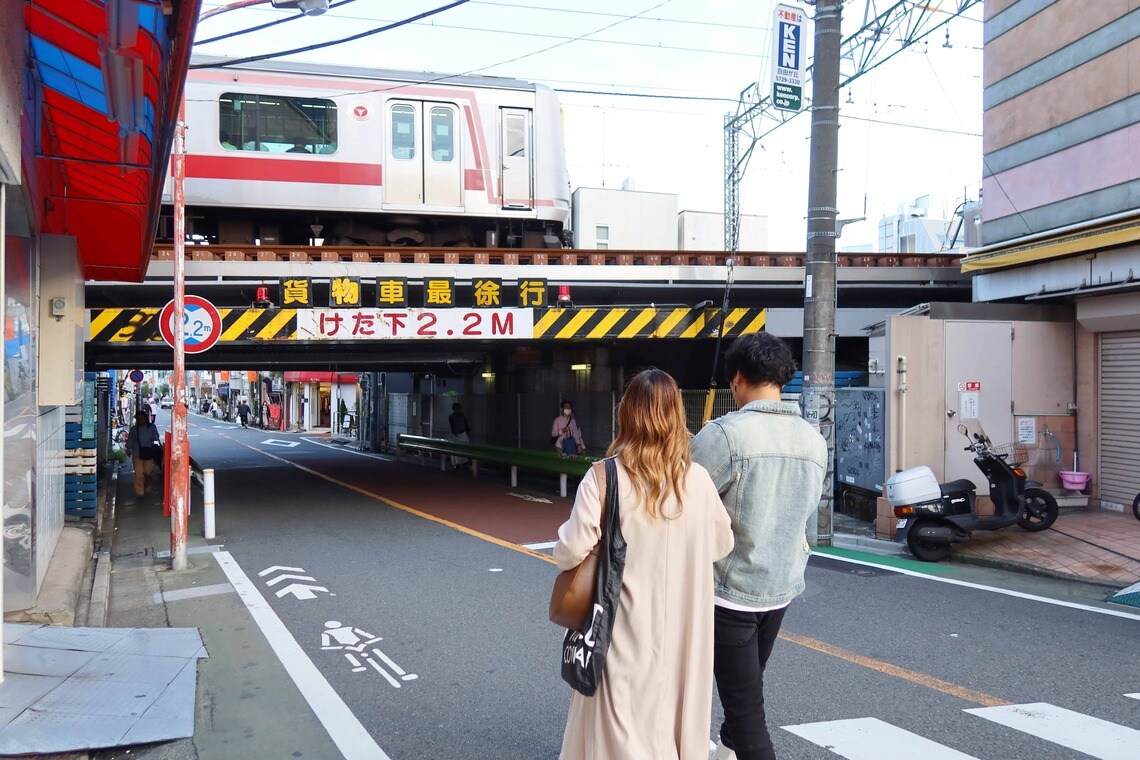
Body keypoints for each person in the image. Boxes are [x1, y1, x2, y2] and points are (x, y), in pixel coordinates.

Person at [555, 369, 734, 759]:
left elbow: (569, 551)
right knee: (673, 724)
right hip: (685, 632)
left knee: (619, 728)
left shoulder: (604, 478)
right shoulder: (699, 481)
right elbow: (722, 544)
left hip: (623, 628)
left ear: (627, 414)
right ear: (676, 417)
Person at [691, 333, 827, 760]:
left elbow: (685, 504)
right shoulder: (812, 439)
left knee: (747, 707)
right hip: (781, 585)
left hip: (726, 592)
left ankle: (739, 749)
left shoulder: (724, 435)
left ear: (736, 379)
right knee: (747, 686)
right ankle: (726, 751)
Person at [126, 410, 162, 499]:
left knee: (148, 472)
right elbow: (130, 440)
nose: (141, 420)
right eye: (138, 419)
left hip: (149, 452)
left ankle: (147, 485)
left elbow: (157, 436)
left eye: (142, 418)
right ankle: (139, 491)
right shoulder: (134, 429)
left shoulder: (152, 427)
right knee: (138, 473)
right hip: (137, 453)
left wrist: (154, 437)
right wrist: (128, 449)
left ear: (146, 418)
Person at [448, 402, 471, 469]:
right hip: (457, 434)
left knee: (463, 450)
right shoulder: (452, 416)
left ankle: (463, 464)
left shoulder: (460, 416)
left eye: (458, 409)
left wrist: (467, 432)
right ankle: (458, 464)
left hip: (461, 434)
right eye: (456, 409)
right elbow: (453, 426)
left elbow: (466, 424)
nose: (457, 410)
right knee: (458, 450)